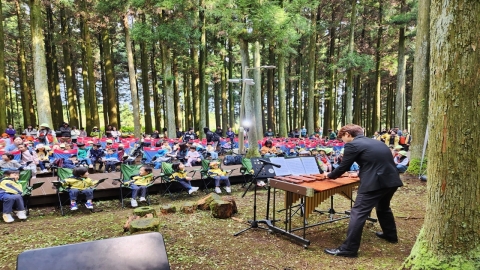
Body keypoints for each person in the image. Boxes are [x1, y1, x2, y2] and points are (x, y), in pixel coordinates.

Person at [324, 124, 403, 258]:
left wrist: (329, 176)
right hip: (391, 180)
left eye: (342, 136)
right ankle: (390, 235)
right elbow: (375, 161)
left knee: (358, 212)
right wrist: (360, 173)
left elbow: (343, 166)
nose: (342, 140)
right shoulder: (376, 142)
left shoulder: (352, 145)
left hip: (375, 183)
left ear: (348, 134)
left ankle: (348, 249)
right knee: (383, 208)